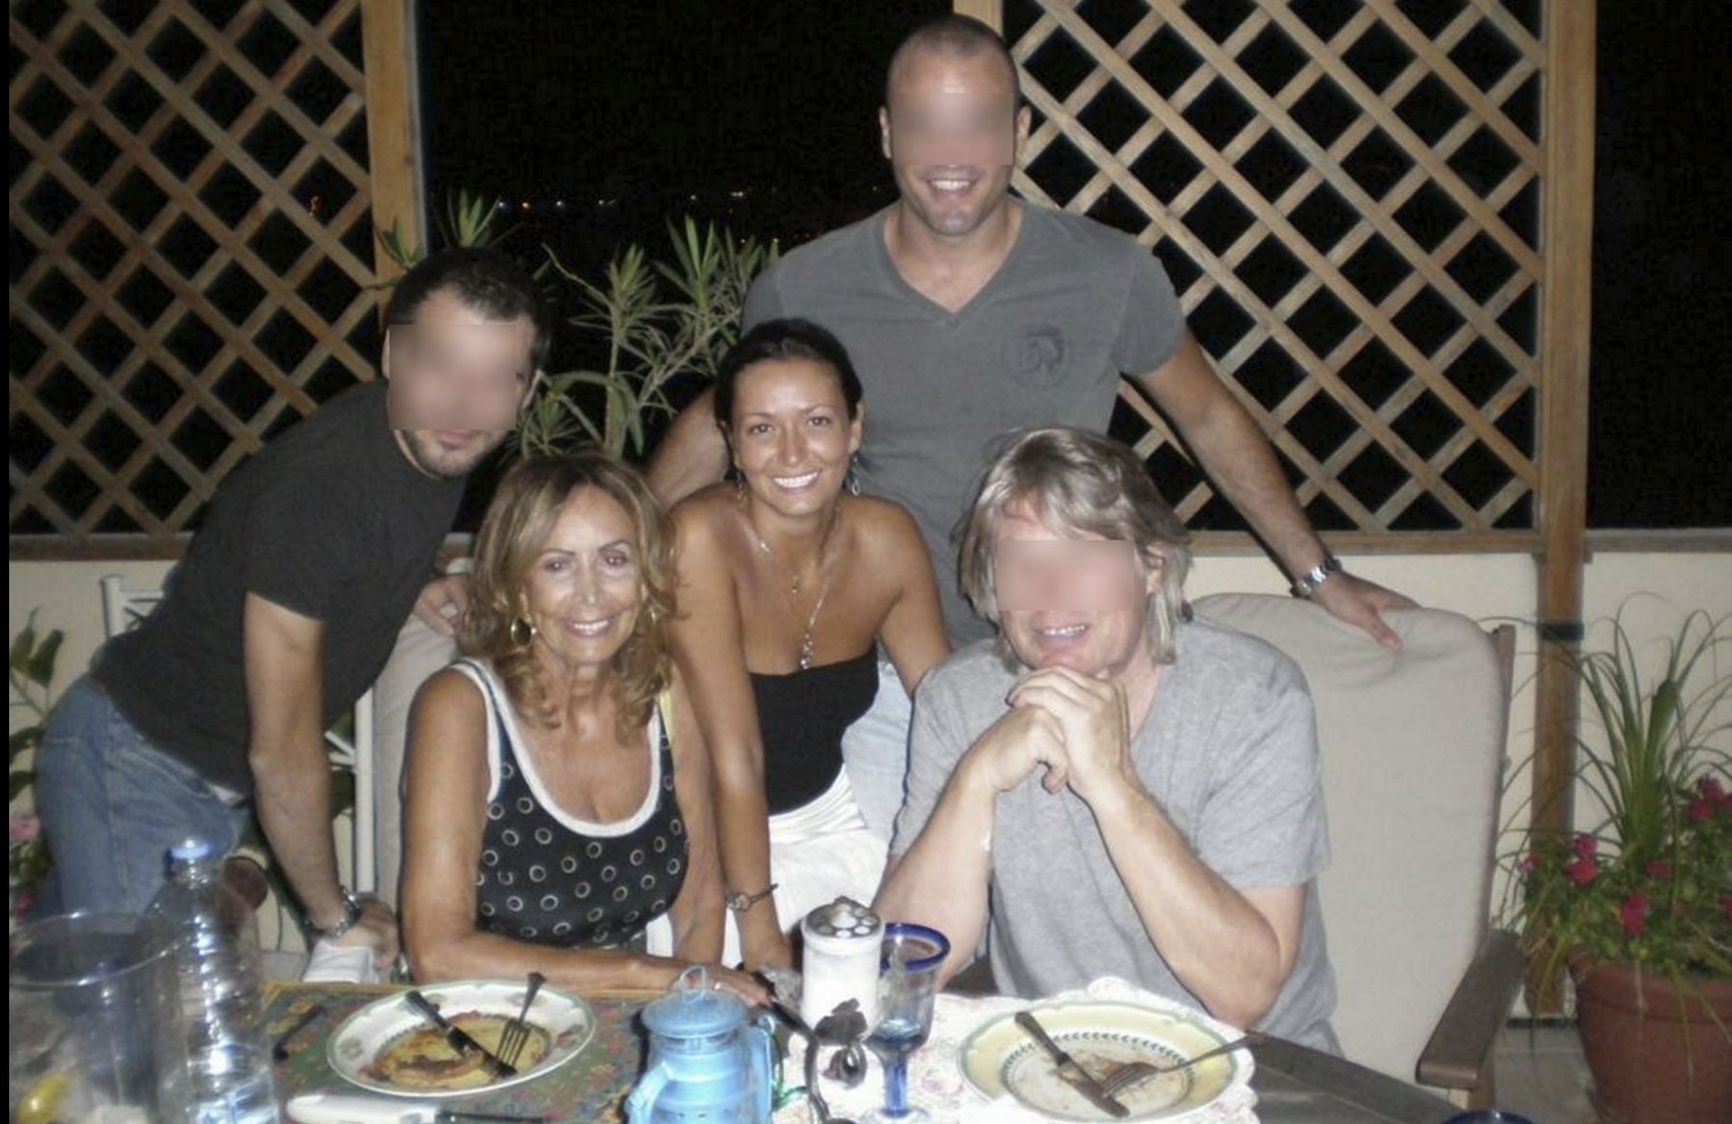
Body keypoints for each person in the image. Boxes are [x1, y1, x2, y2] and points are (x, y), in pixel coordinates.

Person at [644, 14, 1413, 838]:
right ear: (885, 133)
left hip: (1080, 652)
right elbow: (725, 421)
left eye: (977, 122)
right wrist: (612, 551)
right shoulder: (806, 286)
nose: (950, 154)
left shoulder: (1107, 272)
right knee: (909, 923)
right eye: (924, 124)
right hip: (894, 683)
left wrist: (1318, 573)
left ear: (1019, 133)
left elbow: (1209, 415)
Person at [34, 248, 548, 965]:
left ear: (527, 390)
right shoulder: (316, 492)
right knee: (141, 1037)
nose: (464, 404)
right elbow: (283, 753)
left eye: (496, 378)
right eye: (441, 366)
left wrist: (421, 576)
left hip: (195, 776)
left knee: (46, 1001)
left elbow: (361, 536)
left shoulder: (420, 446)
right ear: (393, 352)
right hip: (138, 764)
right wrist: (334, 919)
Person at [876, 428, 1338, 1051]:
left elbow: (1245, 993)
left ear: (1151, 566)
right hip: (1051, 1066)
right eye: (1021, 560)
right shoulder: (957, 699)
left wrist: (1113, 785)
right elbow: (906, 963)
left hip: (1252, 1066)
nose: (1050, 591)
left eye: (1085, 555)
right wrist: (976, 777)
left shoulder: (1253, 698)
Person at [401, 452, 762, 999]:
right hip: (483, 1024)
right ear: (517, 586)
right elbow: (437, 953)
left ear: (645, 579)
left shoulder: (664, 692)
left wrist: (683, 1021)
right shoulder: (461, 708)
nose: (591, 595)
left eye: (615, 560)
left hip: (632, 1019)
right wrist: (642, 975)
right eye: (557, 565)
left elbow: (701, 904)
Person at [668, 319, 949, 970]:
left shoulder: (886, 538)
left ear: (855, 428)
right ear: (732, 444)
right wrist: (761, 930)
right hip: (708, 844)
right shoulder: (700, 538)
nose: (793, 454)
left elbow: (944, 709)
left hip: (838, 824)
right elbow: (735, 757)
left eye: (817, 422)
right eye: (763, 428)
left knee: (911, 967)